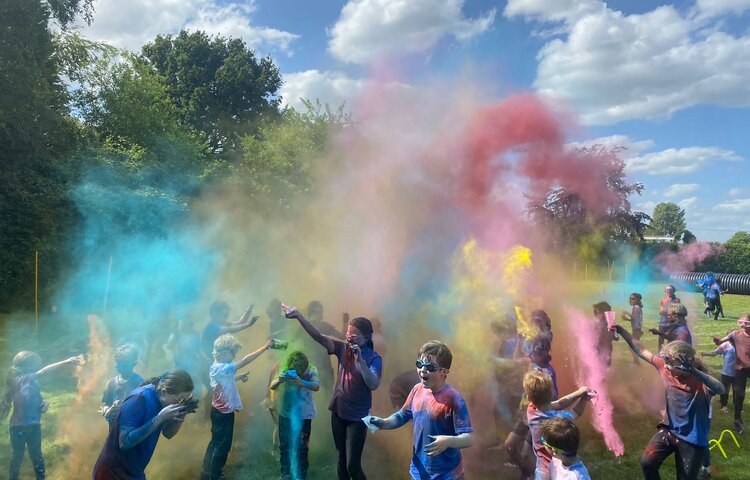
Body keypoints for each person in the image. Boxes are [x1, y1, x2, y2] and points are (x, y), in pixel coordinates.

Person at [284, 303, 382, 480]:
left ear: (366, 338)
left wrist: (360, 359)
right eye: (348, 334)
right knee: (341, 459)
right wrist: (299, 316)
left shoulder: (374, 358)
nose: (349, 338)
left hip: (358, 417)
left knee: (353, 466)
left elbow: (373, 384)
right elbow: (319, 337)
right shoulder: (342, 348)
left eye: (354, 335)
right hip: (338, 411)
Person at [614, 325, 724, 480]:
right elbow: (640, 350)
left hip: (692, 438)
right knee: (647, 462)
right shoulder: (665, 368)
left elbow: (720, 389)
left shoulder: (701, 380)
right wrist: (622, 330)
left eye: (669, 362)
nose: (664, 365)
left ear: (683, 363)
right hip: (670, 429)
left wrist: (693, 371)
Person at [369, 341, 473, 479]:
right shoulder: (417, 390)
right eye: (419, 364)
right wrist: (384, 422)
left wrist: (448, 441)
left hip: (448, 475)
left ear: (444, 372)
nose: (423, 370)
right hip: (420, 472)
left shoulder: (454, 399)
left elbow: (469, 438)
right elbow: (401, 415)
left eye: (430, 366)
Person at [200, 334, 281, 480]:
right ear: (223, 352)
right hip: (223, 414)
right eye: (233, 353)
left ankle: (207, 471)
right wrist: (265, 347)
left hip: (218, 411)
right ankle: (215, 474)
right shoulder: (223, 367)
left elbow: (223, 381)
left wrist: (238, 377)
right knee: (223, 445)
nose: (234, 357)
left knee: (215, 441)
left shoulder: (217, 367)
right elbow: (245, 361)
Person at [92, 369, 197, 480]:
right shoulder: (139, 398)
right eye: (180, 400)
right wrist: (159, 418)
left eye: (184, 401)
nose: (179, 404)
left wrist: (182, 413)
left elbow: (168, 434)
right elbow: (125, 442)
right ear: (165, 391)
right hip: (113, 472)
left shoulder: (163, 401)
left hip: (134, 471)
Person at [0, 351, 81, 480]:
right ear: (28, 368)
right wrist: (66, 362)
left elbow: (32, 399)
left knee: (32, 455)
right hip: (20, 427)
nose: (38, 369)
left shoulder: (32, 382)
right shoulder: (21, 379)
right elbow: (44, 372)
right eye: (35, 366)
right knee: (21, 456)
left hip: (31, 426)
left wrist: (44, 403)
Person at [524, 370, 592, 480]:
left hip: (541, 466)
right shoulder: (556, 420)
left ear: (529, 398)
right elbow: (576, 413)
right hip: (553, 467)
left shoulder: (531, 409)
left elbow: (558, 404)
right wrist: (583, 398)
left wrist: (579, 392)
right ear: (552, 394)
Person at [269, 351, 320, 480]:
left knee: (301, 448)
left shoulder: (312, 369)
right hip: (285, 414)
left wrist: (301, 382)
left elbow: (316, 386)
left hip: (304, 416)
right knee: (285, 446)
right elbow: (272, 386)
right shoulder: (285, 368)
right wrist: (280, 380)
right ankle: (285, 474)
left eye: (300, 371)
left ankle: (301, 476)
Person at [200, 300, 259, 395]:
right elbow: (229, 329)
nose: (226, 317)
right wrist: (248, 325)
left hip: (214, 365)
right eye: (224, 314)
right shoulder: (212, 327)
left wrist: (248, 310)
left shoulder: (219, 323)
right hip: (208, 366)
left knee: (219, 391)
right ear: (215, 314)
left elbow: (240, 322)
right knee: (215, 393)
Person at [712, 314, 750, 434]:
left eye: (747, 323)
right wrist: (717, 341)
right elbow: (721, 341)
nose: (743, 326)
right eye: (741, 323)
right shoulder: (735, 334)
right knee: (739, 395)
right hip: (740, 369)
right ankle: (737, 420)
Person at [101, 344, 145, 423]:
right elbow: (107, 404)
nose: (121, 367)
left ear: (133, 364)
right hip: (114, 427)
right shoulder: (111, 383)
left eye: (125, 365)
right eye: (119, 364)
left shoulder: (140, 383)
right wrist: (108, 410)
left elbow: (144, 407)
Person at [701, 332, 735, 413]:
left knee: (737, 390)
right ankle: (724, 405)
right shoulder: (725, 345)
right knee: (725, 390)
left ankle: (737, 405)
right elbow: (714, 353)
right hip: (727, 372)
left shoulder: (742, 344)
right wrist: (705, 354)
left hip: (739, 372)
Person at [163, 314, 200, 388]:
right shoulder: (176, 334)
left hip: (193, 364)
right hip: (179, 364)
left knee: (194, 384)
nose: (183, 325)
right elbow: (169, 346)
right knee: (181, 385)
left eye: (186, 323)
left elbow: (198, 349)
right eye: (181, 323)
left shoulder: (194, 334)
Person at [592, 302, 618, 367]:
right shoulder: (611, 322)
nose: (594, 312)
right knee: (605, 367)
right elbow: (616, 338)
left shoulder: (597, 322)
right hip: (607, 347)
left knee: (599, 367)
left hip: (599, 347)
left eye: (596, 311)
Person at [657, 285, 680, 351]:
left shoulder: (676, 300)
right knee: (660, 340)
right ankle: (659, 354)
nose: (668, 291)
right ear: (665, 291)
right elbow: (661, 311)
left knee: (670, 340)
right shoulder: (663, 300)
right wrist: (662, 311)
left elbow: (676, 311)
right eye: (667, 290)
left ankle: (668, 355)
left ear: (674, 291)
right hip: (662, 322)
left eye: (670, 290)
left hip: (671, 323)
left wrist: (666, 312)